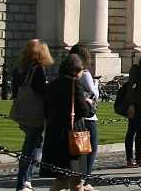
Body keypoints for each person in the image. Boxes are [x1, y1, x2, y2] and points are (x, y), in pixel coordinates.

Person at [39, 53, 94, 191]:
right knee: (68, 179)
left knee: (71, 178)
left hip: (55, 134)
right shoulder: (75, 84)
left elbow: (46, 110)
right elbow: (84, 111)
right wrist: (90, 103)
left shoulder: (52, 85)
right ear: (77, 70)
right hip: (72, 136)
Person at [12, 39, 53, 191]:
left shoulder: (18, 68)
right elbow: (42, 92)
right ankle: (22, 183)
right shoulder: (38, 70)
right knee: (29, 148)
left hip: (21, 111)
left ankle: (28, 179)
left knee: (37, 142)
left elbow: (15, 91)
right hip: (34, 113)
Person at [67, 44, 100, 188]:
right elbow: (94, 94)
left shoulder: (67, 72)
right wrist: (96, 84)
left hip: (74, 115)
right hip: (87, 115)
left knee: (78, 148)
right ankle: (85, 180)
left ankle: (77, 178)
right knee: (90, 148)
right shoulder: (85, 73)